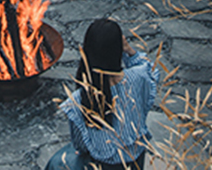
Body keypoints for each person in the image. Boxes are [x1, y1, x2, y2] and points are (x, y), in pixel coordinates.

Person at [46, 18, 160, 170]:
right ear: (118, 49)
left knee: (56, 162)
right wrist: (128, 50)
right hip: (135, 163)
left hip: (102, 167)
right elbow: (150, 68)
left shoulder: (78, 101)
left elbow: (81, 147)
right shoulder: (138, 78)